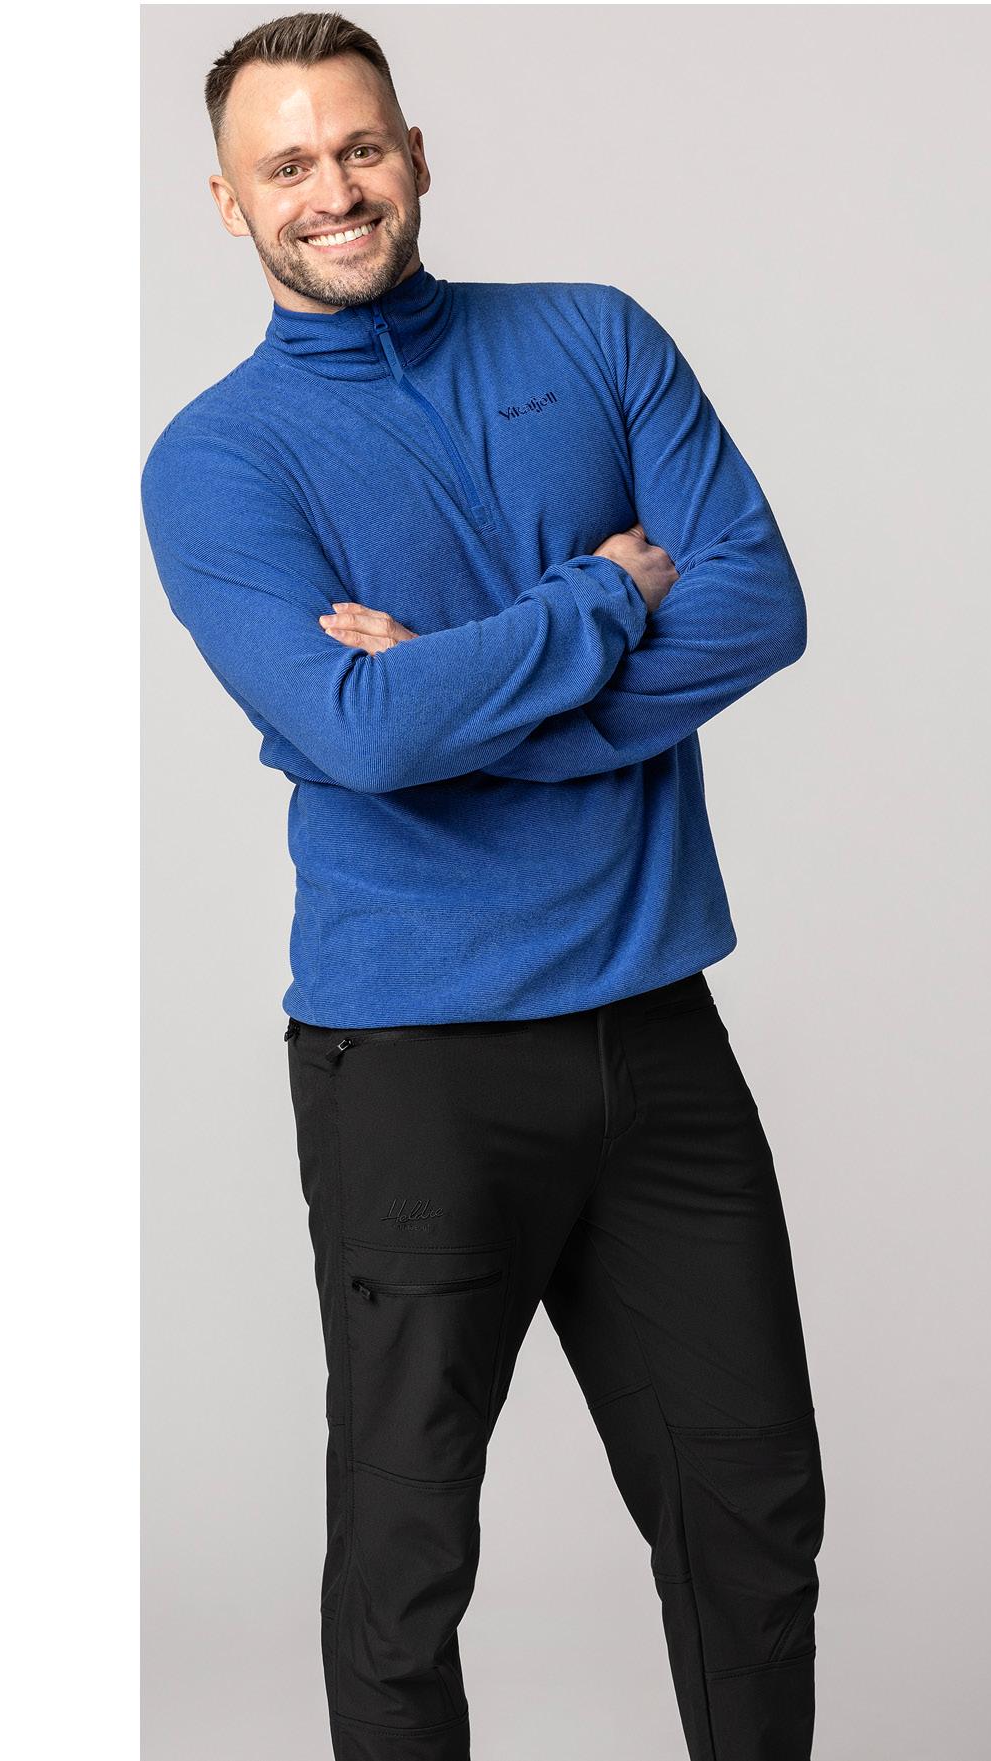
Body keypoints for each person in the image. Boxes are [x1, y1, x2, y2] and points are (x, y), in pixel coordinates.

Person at [140, 11, 824, 1758]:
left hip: (655, 1029)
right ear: (227, 202)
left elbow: (757, 604)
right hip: (413, 1061)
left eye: (359, 146)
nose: (333, 190)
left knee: (751, 1519)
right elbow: (356, 730)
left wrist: (463, 705)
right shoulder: (217, 461)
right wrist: (596, 602)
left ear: (417, 152)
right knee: (406, 1557)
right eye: (287, 165)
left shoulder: (593, 338)